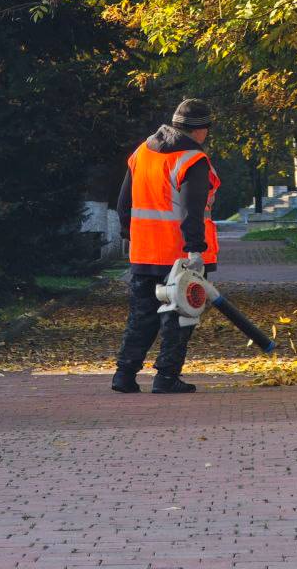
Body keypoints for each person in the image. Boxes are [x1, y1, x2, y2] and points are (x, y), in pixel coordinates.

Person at [111, 97, 220, 394]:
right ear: (201, 130)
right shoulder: (192, 160)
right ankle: (166, 377)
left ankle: (124, 375)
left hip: (144, 252)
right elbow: (192, 210)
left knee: (142, 314)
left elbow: (124, 204)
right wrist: (195, 250)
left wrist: (130, 235)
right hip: (180, 257)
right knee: (181, 315)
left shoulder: (142, 152)